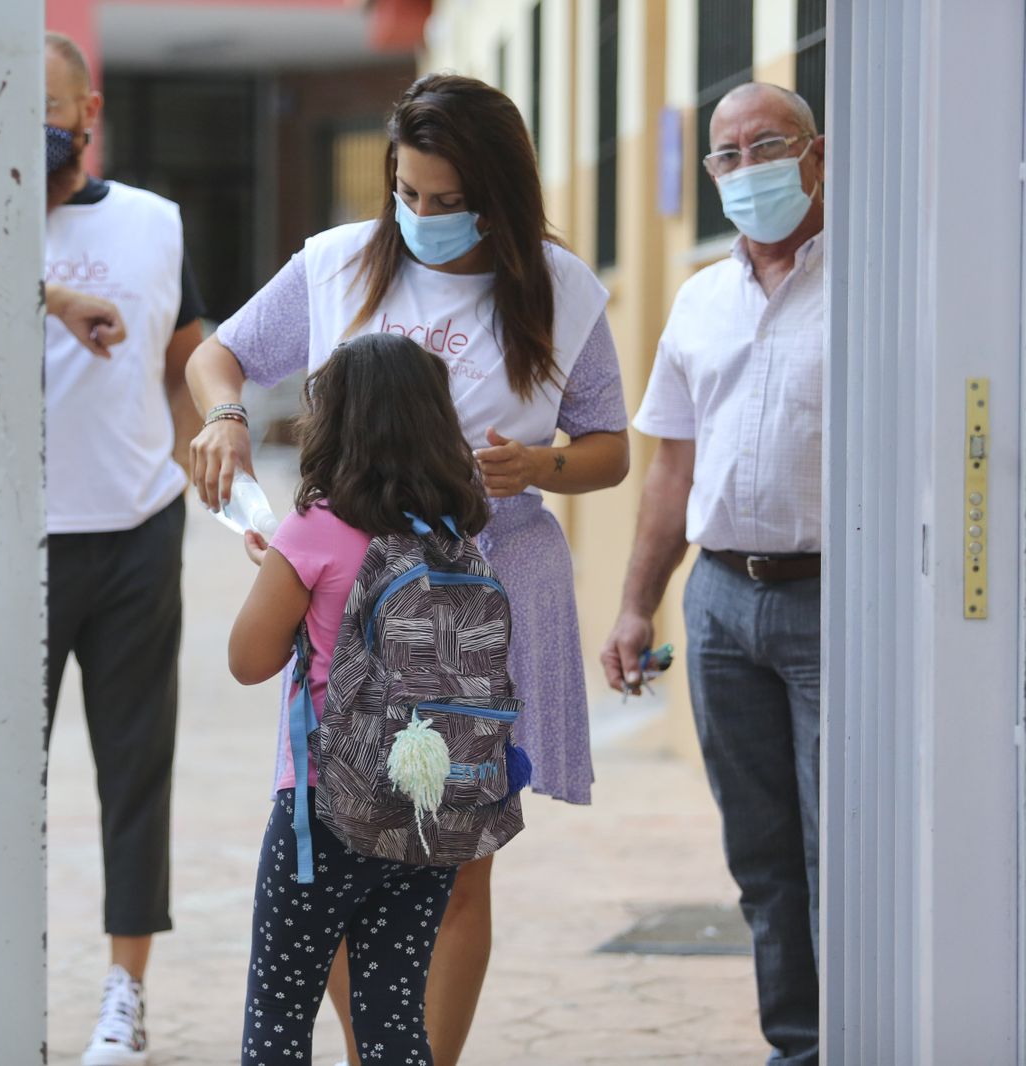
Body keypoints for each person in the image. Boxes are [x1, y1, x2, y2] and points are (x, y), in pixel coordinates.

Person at [188, 74, 629, 1065]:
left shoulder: (557, 289)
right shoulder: (339, 264)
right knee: (339, 833)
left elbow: (608, 447)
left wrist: (540, 464)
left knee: (457, 859)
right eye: (408, 193)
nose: (423, 217)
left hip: (488, 594)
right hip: (351, 598)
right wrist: (222, 413)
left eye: (447, 199)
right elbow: (218, 355)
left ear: (497, 194)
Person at [600, 82, 825, 1066]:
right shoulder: (698, 298)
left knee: (839, 848)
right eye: (725, 156)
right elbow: (670, 471)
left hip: (835, 603)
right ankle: (799, 1044)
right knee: (763, 856)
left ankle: (864, 1031)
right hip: (722, 607)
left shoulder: (881, 276)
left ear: (815, 153)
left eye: (765, 145)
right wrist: (633, 605)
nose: (745, 168)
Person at [230, 331, 496, 1065]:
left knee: (281, 1015)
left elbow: (247, 660)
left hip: (323, 812)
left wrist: (281, 570)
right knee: (393, 1022)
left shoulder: (314, 530)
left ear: (335, 423)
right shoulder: (458, 536)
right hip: (426, 812)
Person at [41, 31, 207, 1066]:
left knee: (135, 773)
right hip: (10, 545)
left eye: (50, 109)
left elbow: (190, 352)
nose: (35, 130)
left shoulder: (154, 223)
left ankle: (123, 995)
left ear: (89, 111)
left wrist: (213, 456)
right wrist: (51, 295)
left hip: (140, 527)